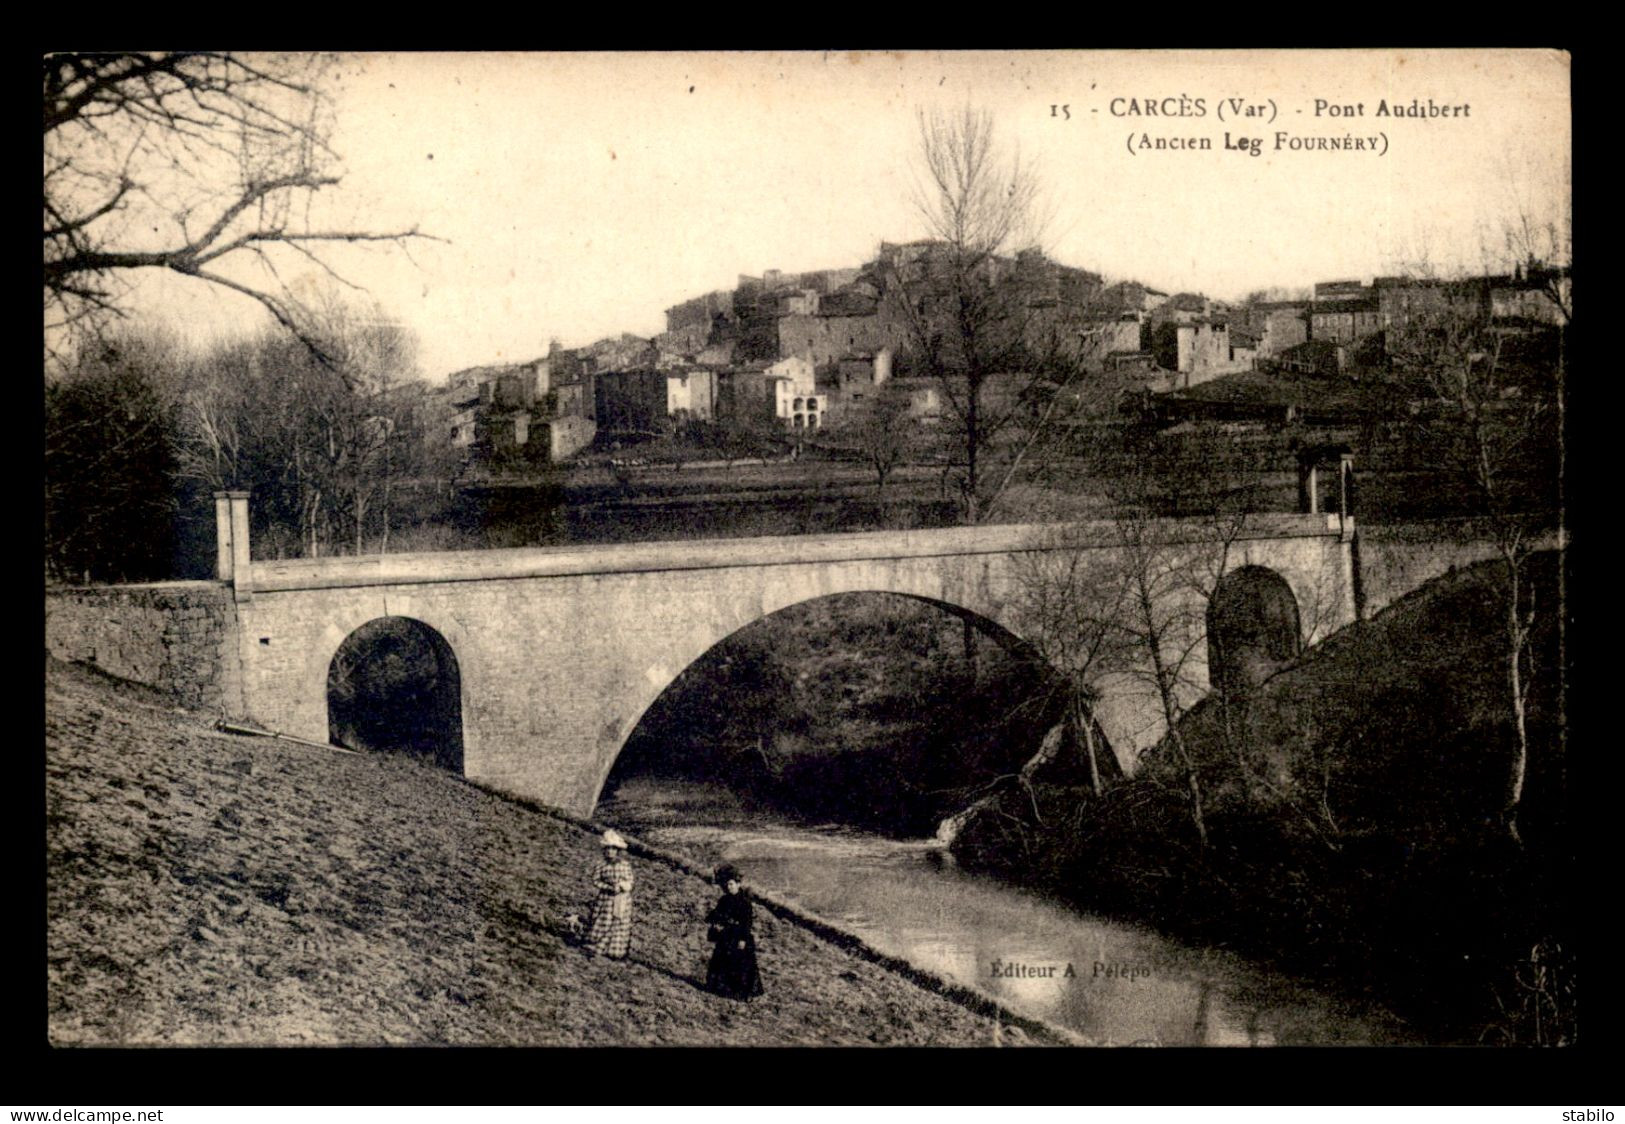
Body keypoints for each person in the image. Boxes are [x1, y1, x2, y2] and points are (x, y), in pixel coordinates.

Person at [705, 863, 764, 1000]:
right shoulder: (724, 900)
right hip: (726, 936)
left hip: (739, 937)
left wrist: (743, 939)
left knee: (741, 965)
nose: (728, 887)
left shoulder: (745, 902)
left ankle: (743, 993)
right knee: (723, 961)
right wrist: (712, 919)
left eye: (731, 884)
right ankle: (721, 989)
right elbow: (717, 914)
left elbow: (747, 923)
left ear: (738, 884)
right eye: (726, 884)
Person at [582, 829, 634, 959]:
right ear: (604, 850)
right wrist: (607, 887)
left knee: (618, 922)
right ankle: (595, 944)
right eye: (608, 849)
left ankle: (613, 951)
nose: (610, 852)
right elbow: (596, 880)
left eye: (613, 849)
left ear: (617, 851)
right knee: (603, 920)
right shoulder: (601, 865)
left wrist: (622, 886)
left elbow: (630, 881)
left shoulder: (625, 865)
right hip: (605, 899)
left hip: (621, 898)